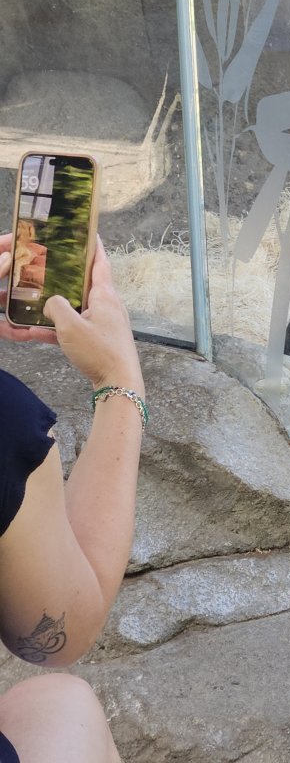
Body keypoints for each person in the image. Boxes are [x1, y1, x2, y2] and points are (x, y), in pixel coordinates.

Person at [0, 232, 146, 763]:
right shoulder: (6, 419)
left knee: (55, 704)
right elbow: (60, 635)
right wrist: (119, 380)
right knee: (66, 704)